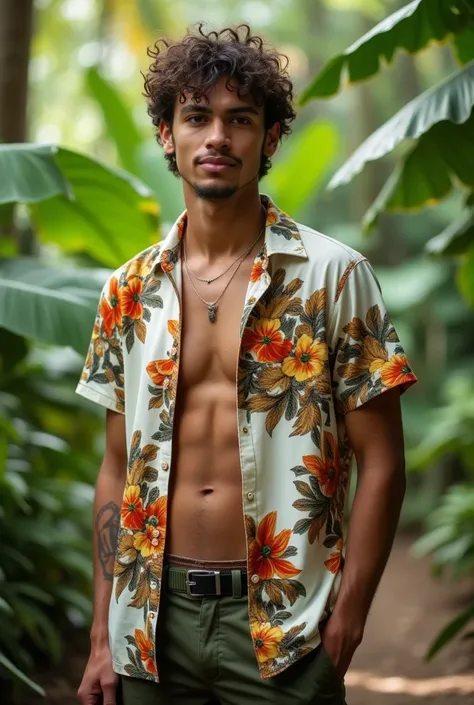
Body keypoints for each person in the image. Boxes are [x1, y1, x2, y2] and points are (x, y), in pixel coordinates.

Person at [76, 24, 417, 705]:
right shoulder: (126, 289)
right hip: (150, 621)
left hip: (285, 622)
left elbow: (382, 460)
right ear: (168, 135)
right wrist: (99, 636)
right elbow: (118, 465)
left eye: (240, 120)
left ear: (268, 138)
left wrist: (347, 618)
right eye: (197, 117)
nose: (217, 138)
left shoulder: (333, 276)